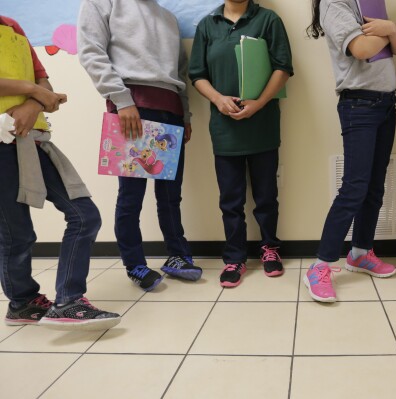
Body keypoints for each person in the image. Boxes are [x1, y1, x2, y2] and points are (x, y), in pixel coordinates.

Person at [0, 15, 120, 330]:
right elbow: (36, 87)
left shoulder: (13, 27)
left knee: (84, 215)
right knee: (17, 233)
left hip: (33, 138)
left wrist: (33, 104)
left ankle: (68, 300)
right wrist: (31, 92)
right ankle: (23, 302)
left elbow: (45, 83)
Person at [78, 0, 202, 291]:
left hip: (170, 109)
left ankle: (178, 256)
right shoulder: (103, 2)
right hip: (132, 105)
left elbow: (180, 73)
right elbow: (91, 51)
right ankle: (134, 264)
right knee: (131, 195)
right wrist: (122, 101)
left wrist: (184, 115)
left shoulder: (169, 18)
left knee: (171, 195)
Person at [304, 0, 396, 302]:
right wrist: (392, 29)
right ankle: (320, 265)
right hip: (359, 105)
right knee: (354, 188)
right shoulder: (335, 4)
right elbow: (362, 49)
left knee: (374, 187)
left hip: (386, 104)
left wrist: (390, 29)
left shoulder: (371, 2)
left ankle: (360, 252)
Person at [189, 0, 293, 288]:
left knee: (266, 195)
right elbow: (197, 74)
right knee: (230, 200)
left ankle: (270, 248)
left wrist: (259, 103)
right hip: (224, 127)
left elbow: (283, 67)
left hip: (262, 124)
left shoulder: (268, 20)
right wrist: (219, 99)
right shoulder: (208, 25)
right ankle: (234, 257)